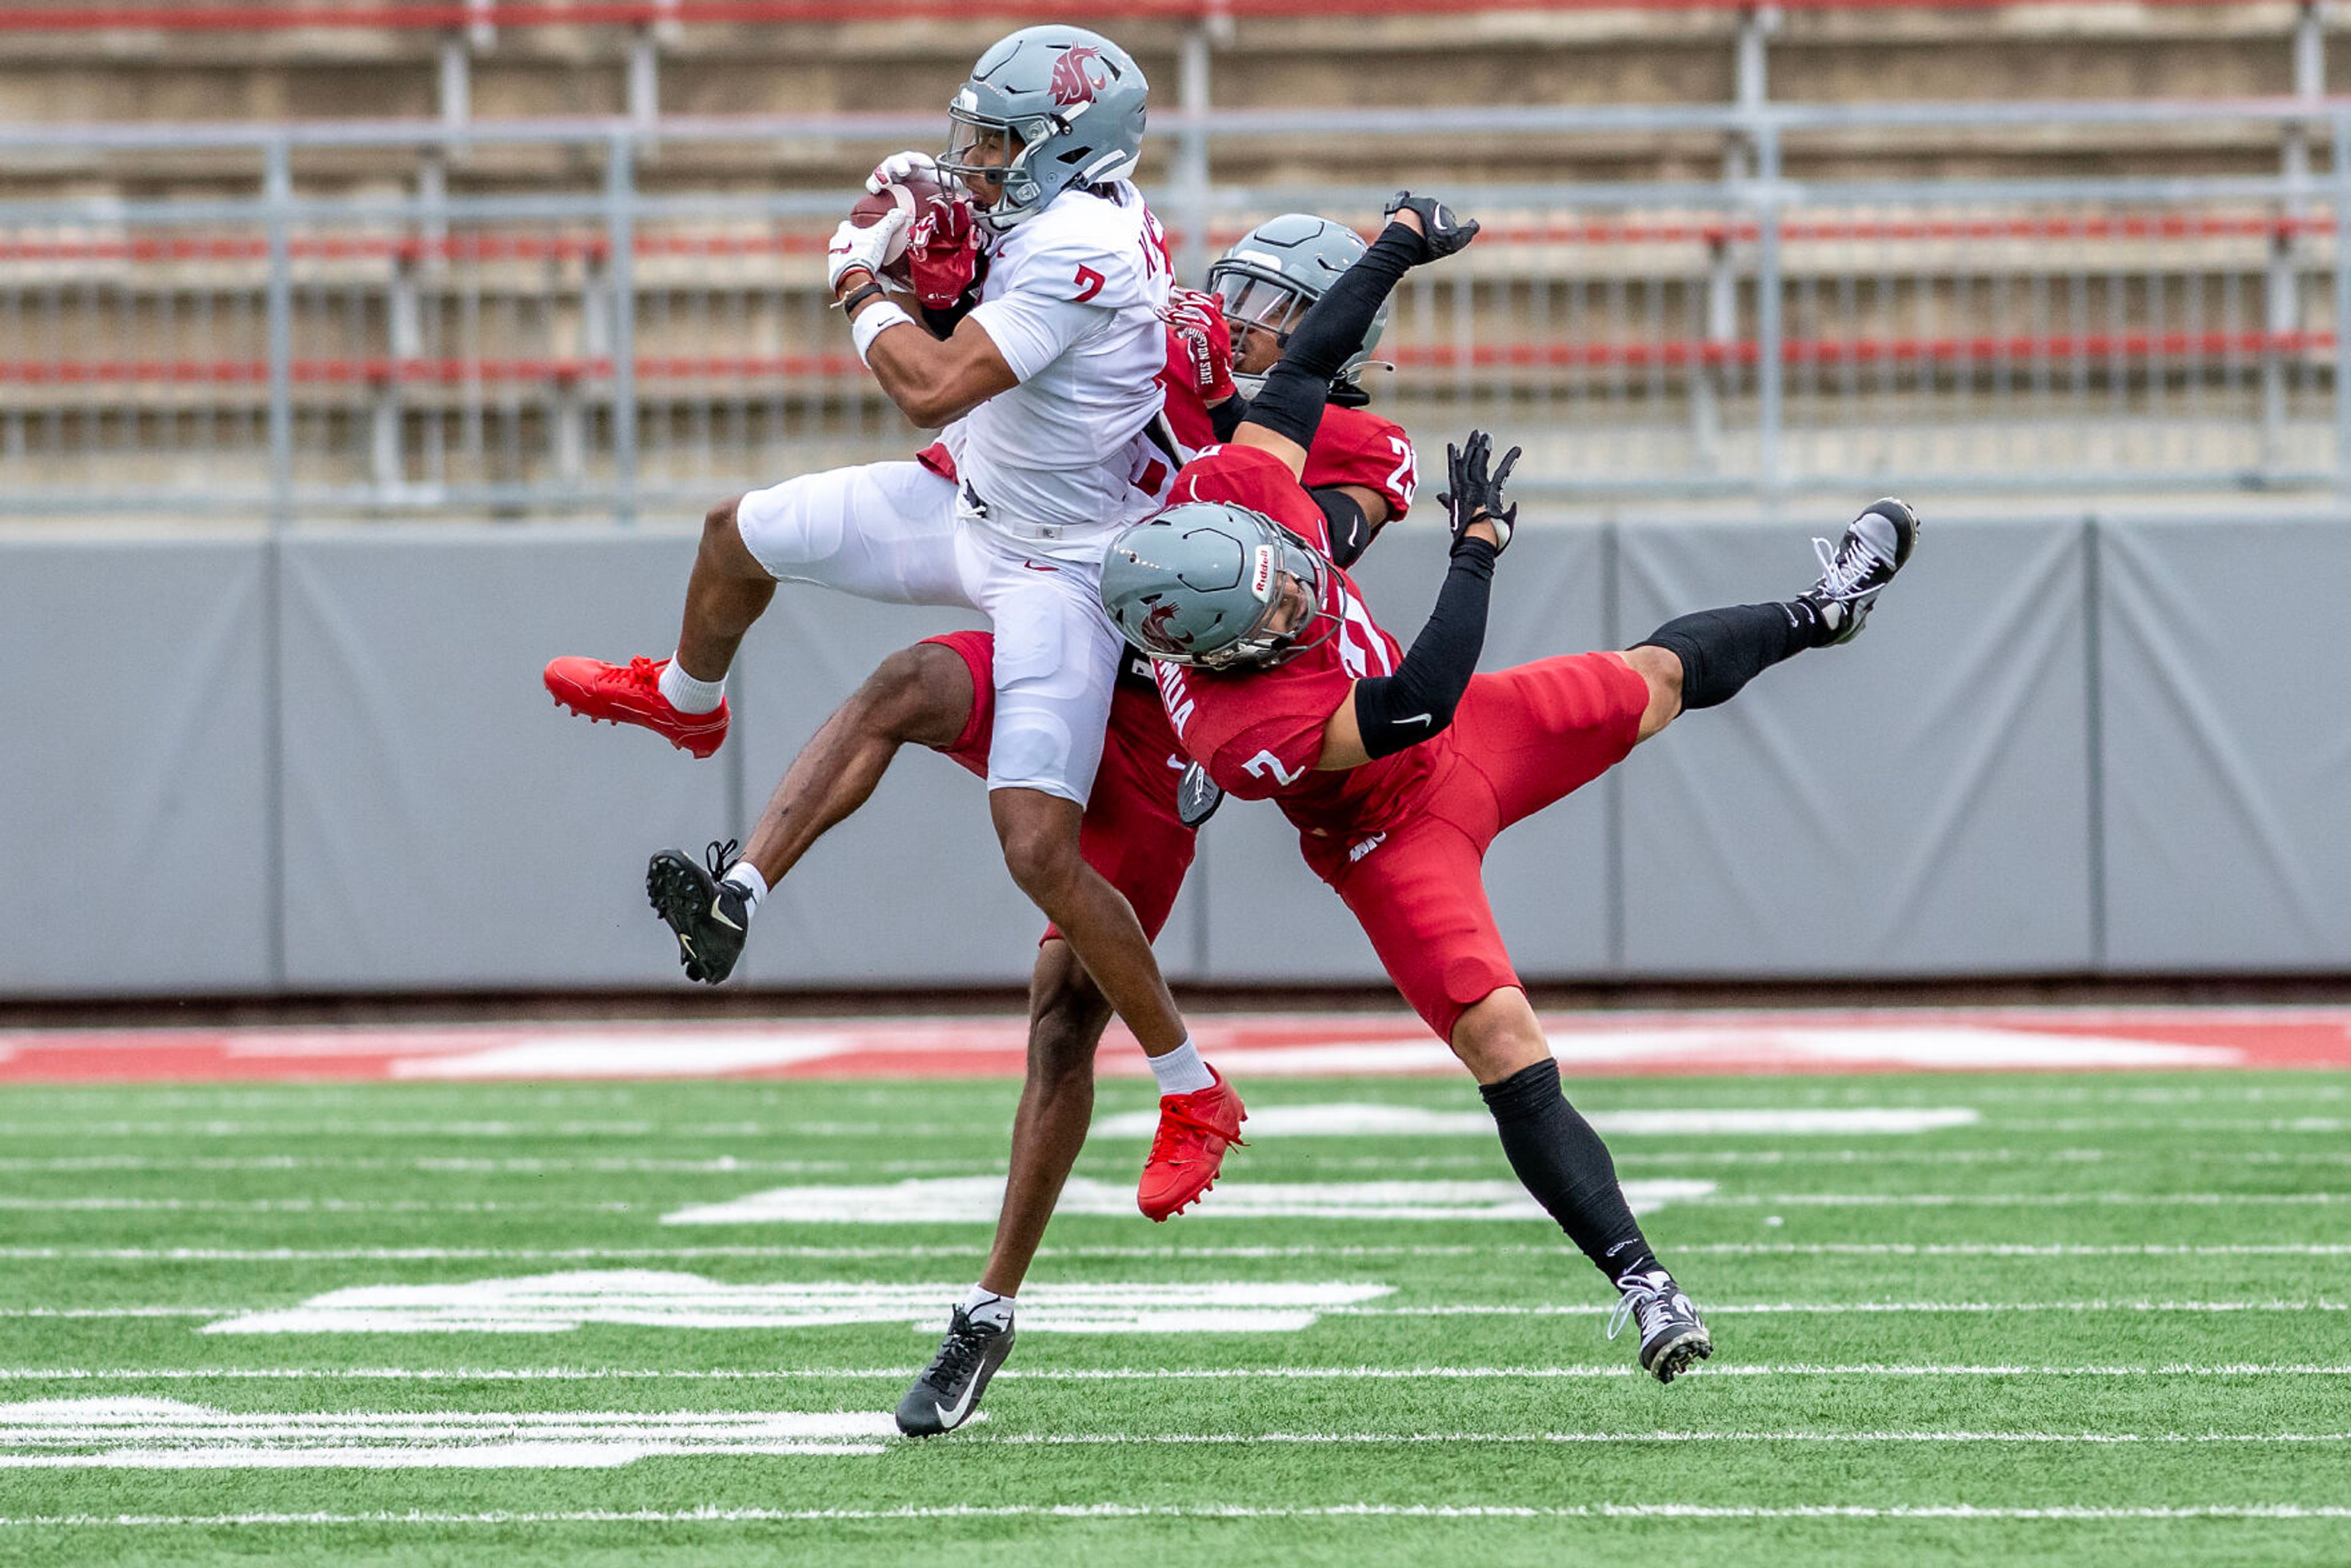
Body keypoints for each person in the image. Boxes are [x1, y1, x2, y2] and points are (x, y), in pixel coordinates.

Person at [1097, 192, 1922, 1386]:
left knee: (1651, 681)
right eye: (1274, 616)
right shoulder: (1239, 730)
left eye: (1283, 583)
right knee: (1502, 1037)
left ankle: (1822, 611)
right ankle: (1643, 1281)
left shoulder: (1241, 500)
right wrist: (1476, 544)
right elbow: (1418, 695)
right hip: (1390, 832)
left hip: (1461, 736)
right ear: (1213, 654)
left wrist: (1396, 241)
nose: (1295, 598)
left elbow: (1313, 357)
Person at [631, 217, 1426, 1437]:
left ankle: (988, 1313)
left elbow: (1293, 568)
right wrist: (938, 277)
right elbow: (1022, 367)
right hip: (1060, 637)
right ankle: (739, 892)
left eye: (1273, 301)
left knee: (1060, 1025)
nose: (1236, 308)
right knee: (904, 682)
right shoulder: (1165, 345)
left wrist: (1216, 451)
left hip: (1164, 715)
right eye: (1237, 288)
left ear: (1333, 327)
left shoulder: (1358, 442)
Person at [540, 26, 1232, 1218]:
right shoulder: (1055, 210)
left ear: (1070, 154)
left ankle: (1190, 1084)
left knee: (1035, 849)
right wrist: (932, 246)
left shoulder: (1087, 242)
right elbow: (964, 316)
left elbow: (930, 378)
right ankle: (686, 703)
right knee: (733, 533)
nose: (981, 159)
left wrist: (864, 282)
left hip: (1062, 563)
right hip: (972, 495)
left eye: (1004, 142)